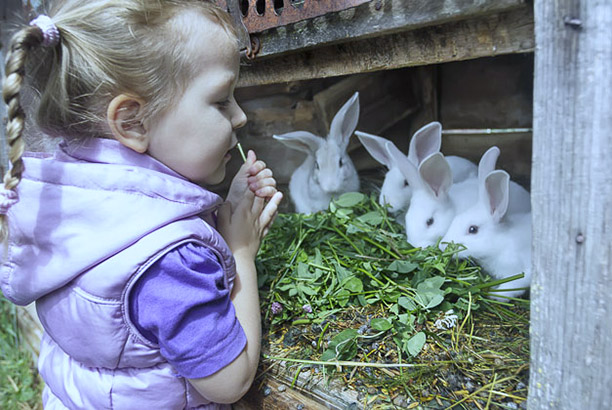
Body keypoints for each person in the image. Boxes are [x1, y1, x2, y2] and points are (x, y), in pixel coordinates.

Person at [0, 1, 283, 408]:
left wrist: (221, 215)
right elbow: (229, 381)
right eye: (221, 100)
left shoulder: (64, 198)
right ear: (132, 122)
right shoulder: (171, 260)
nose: (240, 117)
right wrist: (240, 251)